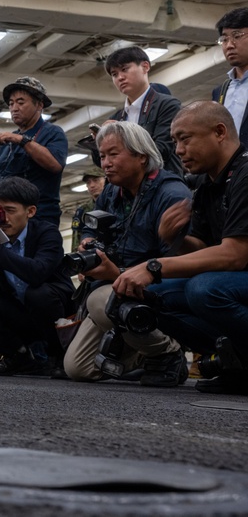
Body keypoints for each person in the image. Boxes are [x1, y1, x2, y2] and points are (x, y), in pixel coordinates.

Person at [113, 101, 248, 394]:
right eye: (174, 141)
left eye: (185, 139)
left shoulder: (246, 173)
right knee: (147, 296)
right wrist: (176, 238)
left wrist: (154, 265)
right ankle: (237, 363)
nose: (178, 150)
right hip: (236, 281)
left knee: (204, 289)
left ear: (219, 132)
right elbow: (201, 247)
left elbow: (235, 255)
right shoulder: (204, 183)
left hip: (236, 275)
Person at [63, 121, 192, 386]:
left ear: (141, 156)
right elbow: (93, 226)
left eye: (113, 154)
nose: (106, 163)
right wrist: (88, 241)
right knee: (78, 369)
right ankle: (147, 358)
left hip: (157, 291)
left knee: (99, 301)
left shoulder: (171, 194)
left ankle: (168, 351)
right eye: (102, 156)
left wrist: (118, 273)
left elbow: (180, 266)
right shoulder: (111, 190)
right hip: (115, 292)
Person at [0, 177, 75, 376]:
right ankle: (18, 356)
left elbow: (37, 273)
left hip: (55, 316)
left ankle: (57, 356)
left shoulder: (47, 233)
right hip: (19, 315)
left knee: (38, 293)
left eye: (10, 211)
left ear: (30, 211)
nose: (3, 218)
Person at [0, 76, 68, 227]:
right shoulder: (10, 139)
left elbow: (55, 164)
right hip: (5, 219)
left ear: (39, 105)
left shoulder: (52, 133)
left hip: (38, 219)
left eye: (20, 102)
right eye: (11, 104)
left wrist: (21, 140)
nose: (14, 108)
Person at [94, 46, 183, 174]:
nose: (120, 77)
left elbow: (162, 150)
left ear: (145, 67)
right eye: (114, 74)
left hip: (162, 184)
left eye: (125, 69)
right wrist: (99, 142)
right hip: (130, 190)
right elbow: (104, 163)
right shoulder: (117, 118)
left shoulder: (167, 105)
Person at [212, 7, 248, 147]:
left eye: (237, 36)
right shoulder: (220, 91)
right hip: (231, 166)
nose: (229, 45)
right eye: (224, 39)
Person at [71, 167, 106, 251]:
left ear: (106, 180)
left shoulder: (115, 203)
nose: (92, 185)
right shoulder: (83, 210)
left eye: (96, 180)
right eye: (88, 182)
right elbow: (77, 237)